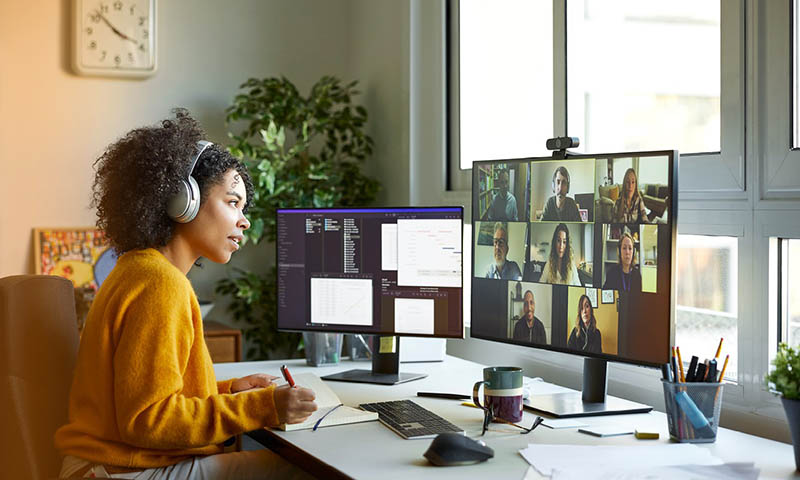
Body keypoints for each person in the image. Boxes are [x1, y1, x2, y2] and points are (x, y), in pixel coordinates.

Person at [54, 110, 317, 479]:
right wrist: (262, 407)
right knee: (307, 473)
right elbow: (148, 419)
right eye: (232, 203)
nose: (245, 221)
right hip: (117, 471)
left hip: (104, 467)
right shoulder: (160, 284)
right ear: (183, 200)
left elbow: (147, 395)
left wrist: (227, 391)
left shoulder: (138, 268)